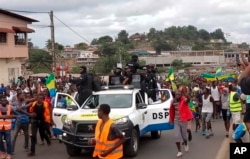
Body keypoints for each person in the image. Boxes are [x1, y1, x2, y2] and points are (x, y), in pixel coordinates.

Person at [169, 90, 193, 158]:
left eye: (179, 94)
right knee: (176, 136)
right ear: (175, 95)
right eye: (176, 94)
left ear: (181, 95)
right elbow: (171, 111)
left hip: (183, 121)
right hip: (176, 121)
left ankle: (185, 143)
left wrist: (186, 94)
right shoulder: (173, 101)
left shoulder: (183, 100)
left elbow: (188, 100)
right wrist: (170, 119)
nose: (177, 96)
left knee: (184, 136)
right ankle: (179, 151)